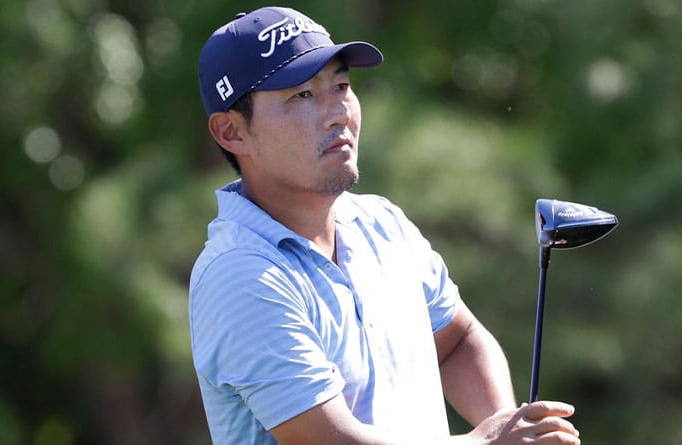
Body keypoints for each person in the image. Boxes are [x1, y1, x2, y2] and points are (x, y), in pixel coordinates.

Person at [189, 6, 581, 445]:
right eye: (302, 95)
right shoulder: (240, 274)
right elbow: (332, 441)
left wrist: (511, 426)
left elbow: (457, 341)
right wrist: (485, 443)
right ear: (232, 132)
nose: (338, 112)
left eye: (341, 86)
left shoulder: (382, 224)